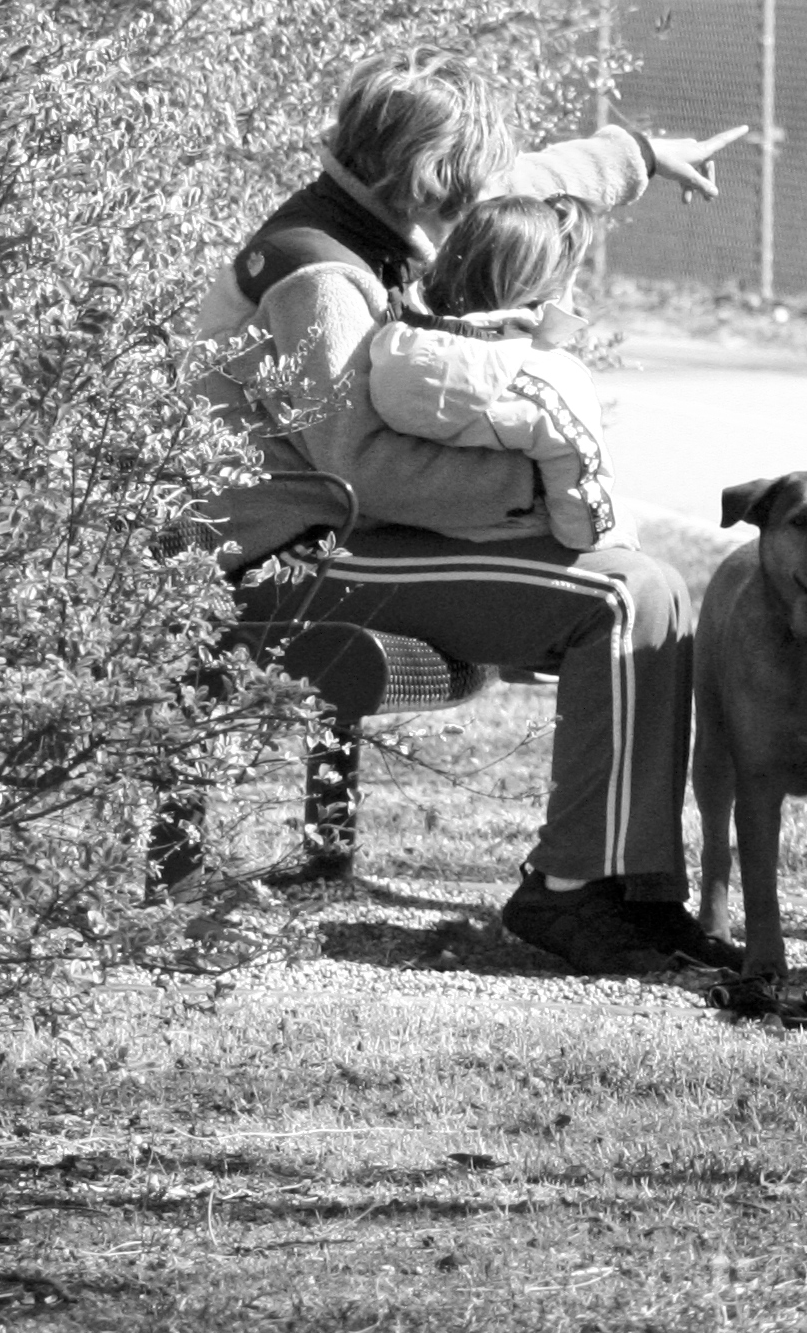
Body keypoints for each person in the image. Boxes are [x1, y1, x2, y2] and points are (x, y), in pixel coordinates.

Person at [196, 48, 748, 976]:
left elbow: (532, 179)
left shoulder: (377, 210)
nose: (494, 183)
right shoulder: (319, 275)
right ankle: (570, 895)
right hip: (295, 552)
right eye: (473, 171)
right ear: (424, 179)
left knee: (656, 591)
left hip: (361, 537)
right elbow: (357, 466)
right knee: (618, 601)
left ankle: (630, 888)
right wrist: (531, 489)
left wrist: (640, 155)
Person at [362, 195, 620, 553]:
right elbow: (582, 502)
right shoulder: (549, 375)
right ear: (552, 289)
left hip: (411, 534)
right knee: (648, 582)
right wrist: (610, 539)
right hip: (516, 542)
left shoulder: (394, 341)